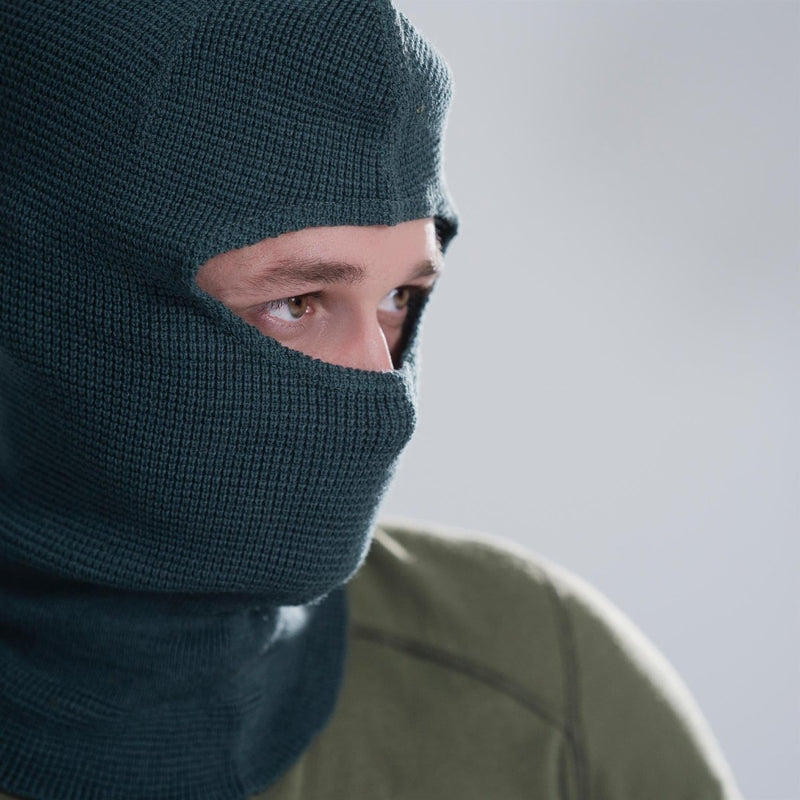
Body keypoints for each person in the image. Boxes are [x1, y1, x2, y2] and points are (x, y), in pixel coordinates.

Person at [0, 0, 742, 798]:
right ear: (55, 298)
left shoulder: (544, 693)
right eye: (299, 301)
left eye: (399, 300)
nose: (381, 392)